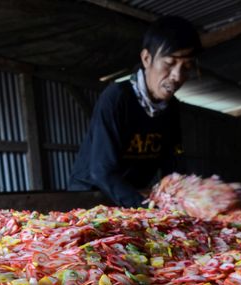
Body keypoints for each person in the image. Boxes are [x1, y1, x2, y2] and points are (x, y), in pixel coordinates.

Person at [67, 16, 201, 208]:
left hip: (133, 197)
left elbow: (173, 165)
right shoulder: (117, 98)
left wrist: (191, 196)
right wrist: (146, 207)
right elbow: (102, 171)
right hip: (93, 197)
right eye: (170, 64)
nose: (177, 76)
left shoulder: (172, 108)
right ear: (147, 59)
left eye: (186, 67)